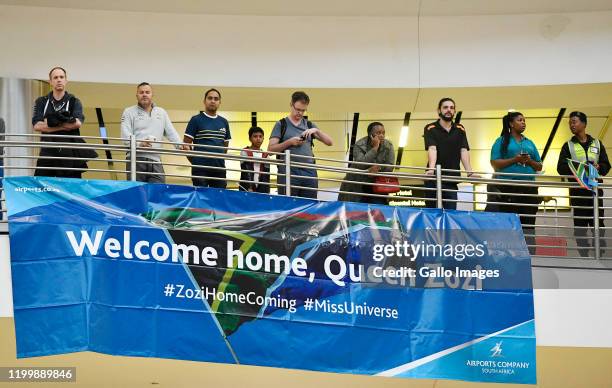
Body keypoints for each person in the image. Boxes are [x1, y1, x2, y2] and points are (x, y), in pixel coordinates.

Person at [557, 111, 609, 257]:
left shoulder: (597, 143)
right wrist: (580, 167)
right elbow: (561, 168)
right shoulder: (568, 146)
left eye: (574, 121)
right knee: (579, 227)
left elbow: (606, 166)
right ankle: (584, 255)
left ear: (584, 124)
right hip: (578, 193)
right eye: (570, 122)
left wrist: (599, 167)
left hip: (594, 193)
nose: (571, 125)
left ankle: (599, 252)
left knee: (598, 225)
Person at [489, 111, 542, 253]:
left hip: (529, 189)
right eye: (520, 120)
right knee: (510, 225)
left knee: (529, 225)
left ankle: (530, 256)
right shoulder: (501, 141)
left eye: (524, 120)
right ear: (511, 124)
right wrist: (515, 159)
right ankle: (510, 255)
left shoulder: (529, 142)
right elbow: (495, 163)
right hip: (509, 188)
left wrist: (529, 161)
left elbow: (540, 165)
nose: (523, 122)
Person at [267, 91, 333, 199]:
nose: (300, 113)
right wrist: (290, 142)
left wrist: (316, 130)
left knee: (309, 206)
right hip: (289, 171)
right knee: (288, 205)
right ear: (291, 105)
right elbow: (270, 150)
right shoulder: (281, 124)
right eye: (297, 109)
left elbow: (329, 142)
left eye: (303, 110)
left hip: (309, 171)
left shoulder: (309, 125)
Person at [32, 67, 94, 178]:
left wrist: (49, 123)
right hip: (47, 153)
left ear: (66, 80)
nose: (59, 80)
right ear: (50, 82)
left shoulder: (74, 101)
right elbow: (37, 125)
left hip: (69, 154)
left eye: (61, 77)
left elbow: (77, 123)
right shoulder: (42, 101)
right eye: (55, 77)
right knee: (41, 188)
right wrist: (65, 126)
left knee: (71, 191)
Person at [121, 82, 185, 183]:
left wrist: (180, 145)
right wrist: (139, 143)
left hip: (156, 161)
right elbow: (125, 136)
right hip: (136, 159)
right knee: (137, 195)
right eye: (141, 92)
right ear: (137, 95)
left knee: (158, 194)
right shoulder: (129, 112)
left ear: (152, 95)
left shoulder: (161, 112)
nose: (144, 94)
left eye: (147, 92)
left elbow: (171, 132)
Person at [423, 97, 478, 209]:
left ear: (454, 111)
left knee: (450, 213)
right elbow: (432, 148)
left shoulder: (460, 128)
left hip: (451, 179)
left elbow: (463, 150)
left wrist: (470, 173)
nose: (449, 110)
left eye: (452, 108)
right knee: (432, 214)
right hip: (433, 179)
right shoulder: (430, 128)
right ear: (439, 111)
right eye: (445, 107)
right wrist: (431, 170)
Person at [183, 88, 231, 188]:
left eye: (216, 99)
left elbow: (225, 147)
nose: (213, 101)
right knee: (201, 200)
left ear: (219, 102)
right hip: (200, 169)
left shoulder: (224, 122)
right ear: (204, 101)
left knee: (219, 200)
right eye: (210, 98)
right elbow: (186, 145)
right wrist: (196, 160)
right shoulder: (196, 120)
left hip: (219, 169)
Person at [338, 122, 395, 204]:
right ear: (370, 135)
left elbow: (390, 166)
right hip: (357, 184)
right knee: (357, 211)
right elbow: (360, 163)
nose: (382, 135)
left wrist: (378, 169)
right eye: (378, 133)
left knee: (377, 210)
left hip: (377, 184)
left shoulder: (388, 146)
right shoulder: (359, 145)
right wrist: (375, 148)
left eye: (383, 133)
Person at [239, 126, 270, 193]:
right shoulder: (244, 152)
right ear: (250, 138)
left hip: (262, 190)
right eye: (255, 136)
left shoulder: (266, 155)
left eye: (260, 136)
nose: (258, 139)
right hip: (247, 189)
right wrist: (249, 187)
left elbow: (266, 177)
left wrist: (267, 191)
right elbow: (246, 173)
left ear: (263, 138)